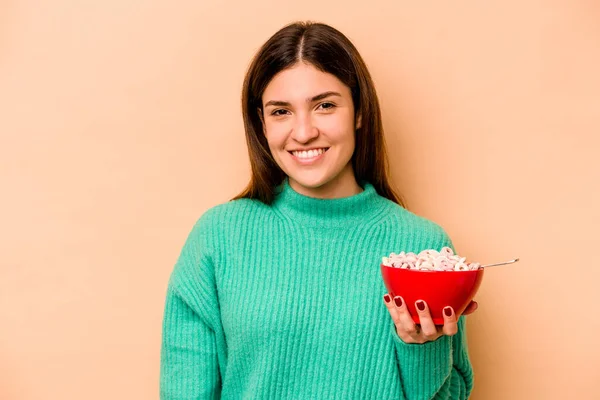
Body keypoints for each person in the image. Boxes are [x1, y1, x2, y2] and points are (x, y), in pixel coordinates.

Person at [160, 21, 477, 399]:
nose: (304, 131)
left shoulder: (421, 247)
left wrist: (423, 348)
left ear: (359, 112)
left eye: (325, 106)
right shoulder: (218, 237)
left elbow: (452, 395)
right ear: (261, 123)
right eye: (281, 112)